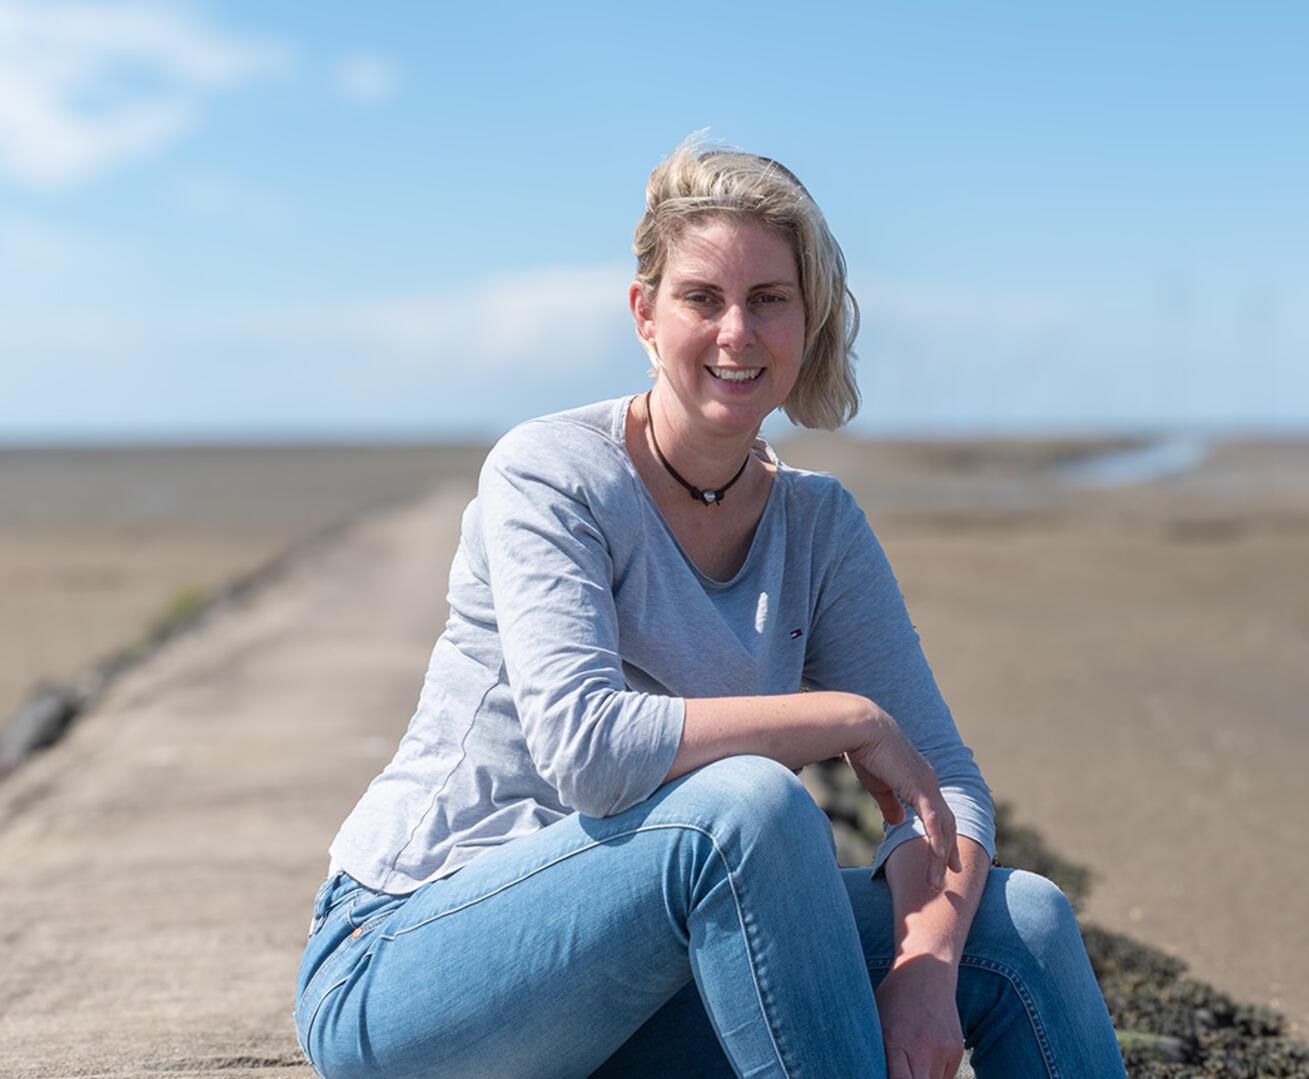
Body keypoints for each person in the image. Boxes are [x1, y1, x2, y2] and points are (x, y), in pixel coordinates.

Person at [290, 134, 1129, 1079]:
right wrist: (846, 720)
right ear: (646, 313)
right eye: (702, 298)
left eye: (768, 299)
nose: (737, 331)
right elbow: (590, 751)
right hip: (411, 966)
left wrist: (924, 968)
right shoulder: (551, 473)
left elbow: (947, 788)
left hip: (643, 989)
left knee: (1021, 923)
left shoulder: (819, 525)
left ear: (807, 321)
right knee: (749, 806)